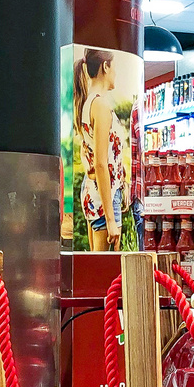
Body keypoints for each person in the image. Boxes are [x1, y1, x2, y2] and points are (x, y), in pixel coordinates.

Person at [73, 48, 130, 251]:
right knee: (106, 272)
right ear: (106, 66)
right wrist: (111, 219)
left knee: (97, 269)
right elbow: (101, 162)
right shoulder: (101, 106)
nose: (116, 73)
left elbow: (87, 151)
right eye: (114, 67)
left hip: (95, 192)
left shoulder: (88, 103)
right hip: (104, 197)